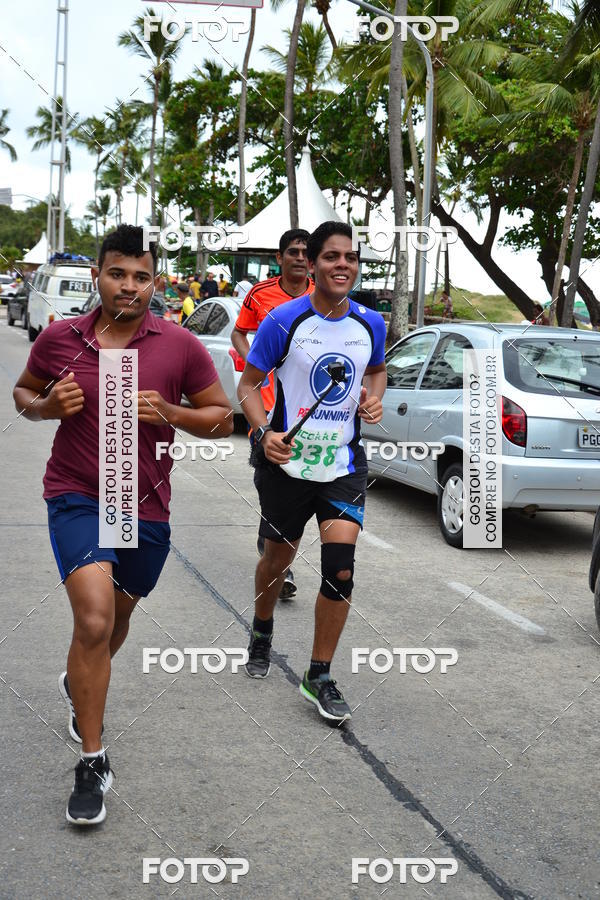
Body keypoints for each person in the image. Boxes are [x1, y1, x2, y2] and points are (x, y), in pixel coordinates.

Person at [12, 225, 232, 826]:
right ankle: (93, 760)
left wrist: (173, 412)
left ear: (154, 283)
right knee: (94, 618)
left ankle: (79, 680)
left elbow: (222, 420)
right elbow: (24, 393)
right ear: (98, 277)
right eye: (117, 274)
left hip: (145, 506)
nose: (129, 286)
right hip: (78, 496)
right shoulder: (61, 338)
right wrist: (46, 407)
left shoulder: (180, 345)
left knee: (116, 619)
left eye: (141, 276)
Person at [237, 221, 387, 724]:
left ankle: (319, 674)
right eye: (331, 256)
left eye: (351, 257)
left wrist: (374, 399)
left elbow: (376, 371)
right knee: (277, 561)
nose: (342, 265)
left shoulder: (371, 323)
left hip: (343, 465)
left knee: (341, 568)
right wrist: (263, 433)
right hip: (287, 464)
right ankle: (262, 628)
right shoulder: (284, 321)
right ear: (313, 264)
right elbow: (248, 384)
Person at [231, 228, 314, 601]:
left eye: (306, 253)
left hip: (307, 409)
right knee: (271, 480)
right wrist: (256, 362)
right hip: (266, 408)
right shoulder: (260, 294)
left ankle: (273, 544)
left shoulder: (323, 295)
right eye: (293, 252)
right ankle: (279, 558)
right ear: (279, 258)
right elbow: (238, 333)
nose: (300, 258)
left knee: (298, 485)